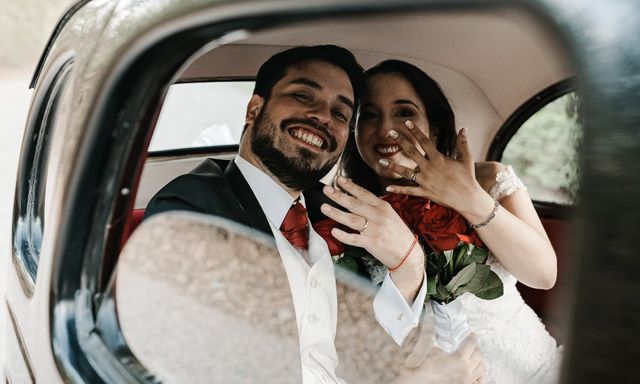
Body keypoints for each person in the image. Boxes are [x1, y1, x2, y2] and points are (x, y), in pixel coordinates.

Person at [144, 47, 483, 383]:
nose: (322, 117)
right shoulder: (194, 207)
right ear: (254, 109)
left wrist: (409, 267)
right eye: (304, 96)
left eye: (340, 114)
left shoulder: (335, 209)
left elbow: (362, 350)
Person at [319, 59, 562, 383]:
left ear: (433, 126)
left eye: (404, 112)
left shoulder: (488, 178)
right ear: (355, 131)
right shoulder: (346, 212)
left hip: (537, 372)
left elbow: (543, 276)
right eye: (370, 115)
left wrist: (470, 200)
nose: (386, 129)